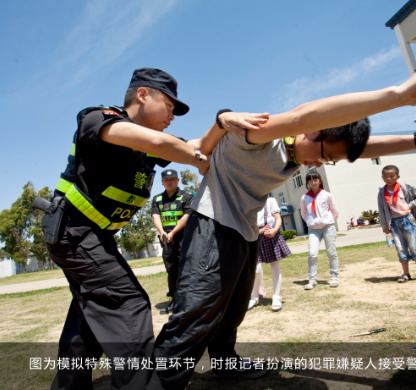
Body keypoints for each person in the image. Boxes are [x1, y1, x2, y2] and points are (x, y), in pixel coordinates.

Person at [148, 72, 416, 389]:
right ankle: (158, 382)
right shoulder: (261, 136)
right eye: (326, 155)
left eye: (331, 161)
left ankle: (224, 362)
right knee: (195, 312)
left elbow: (365, 147)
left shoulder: (298, 155)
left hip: (244, 232)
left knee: (231, 311)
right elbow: (304, 115)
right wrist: (398, 95)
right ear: (312, 132)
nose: (323, 164)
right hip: (213, 225)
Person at [41, 67, 265, 390]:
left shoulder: (149, 144)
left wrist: (222, 124)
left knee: (89, 314)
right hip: (75, 232)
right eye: (169, 106)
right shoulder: (98, 120)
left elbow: (197, 146)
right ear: (143, 95)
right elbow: (165, 144)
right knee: (128, 302)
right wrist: (202, 145)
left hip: (90, 236)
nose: (172, 116)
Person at [151, 169, 193, 314]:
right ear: (162, 182)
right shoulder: (157, 199)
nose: (170, 182)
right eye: (167, 180)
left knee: (186, 268)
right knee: (171, 270)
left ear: (178, 181)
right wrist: (162, 232)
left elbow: (187, 216)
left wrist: (174, 232)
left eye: (173, 179)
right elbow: (155, 216)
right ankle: (175, 299)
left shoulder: (186, 196)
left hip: (183, 238)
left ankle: (188, 299)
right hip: (166, 240)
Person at [377, 165, 416, 283]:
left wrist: (410, 205)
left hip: (407, 220)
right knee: (400, 248)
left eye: (391, 176)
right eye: (385, 176)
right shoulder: (382, 192)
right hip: (394, 223)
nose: (388, 179)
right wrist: (385, 226)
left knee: (413, 245)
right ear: (382, 177)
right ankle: (405, 273)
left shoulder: (405, 187)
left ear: (397, 176)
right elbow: (381, 209)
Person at [248, 196, 290, 312]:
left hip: (270, 235)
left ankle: (276, 296)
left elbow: (278, 218)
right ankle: (254, 296)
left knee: (275, 267)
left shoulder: (270, 200)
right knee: (256, 270)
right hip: (255, 236)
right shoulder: (249, 200)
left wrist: (274, 230)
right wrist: (257, 231)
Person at [300, 170, 340, 289]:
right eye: (310, 180)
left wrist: (328, 221)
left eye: (316, 179)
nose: (313, 182)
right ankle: (312, 280)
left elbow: (335, 211)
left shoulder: (327, 195)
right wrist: (311, 222)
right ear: (307, 182)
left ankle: (334, 277)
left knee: (331, 252)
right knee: (312, 253)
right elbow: (303, 213)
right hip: (313, 229)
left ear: (320, 181)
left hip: (328, 227)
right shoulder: (304, 197)